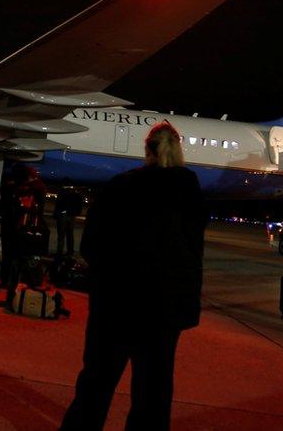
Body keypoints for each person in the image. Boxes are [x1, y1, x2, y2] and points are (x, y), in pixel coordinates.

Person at [61, 122, 206, 430]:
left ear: (147, 151)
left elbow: (91, 245)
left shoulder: (121, 186)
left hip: (117, 305)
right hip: (165, 311)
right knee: (154, 391)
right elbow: (192, 254)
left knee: (96, 384)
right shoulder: (190, 193)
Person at [53, 179, 83, 257]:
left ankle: (59, 252)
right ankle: (70, 252)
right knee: (70, 234)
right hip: (72, 215)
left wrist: (56, 214)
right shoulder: (76, 194)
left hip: (63, 215)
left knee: (61, 235)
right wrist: (76, 213)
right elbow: (79, 204)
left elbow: (58, 205)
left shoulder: (62, 192)